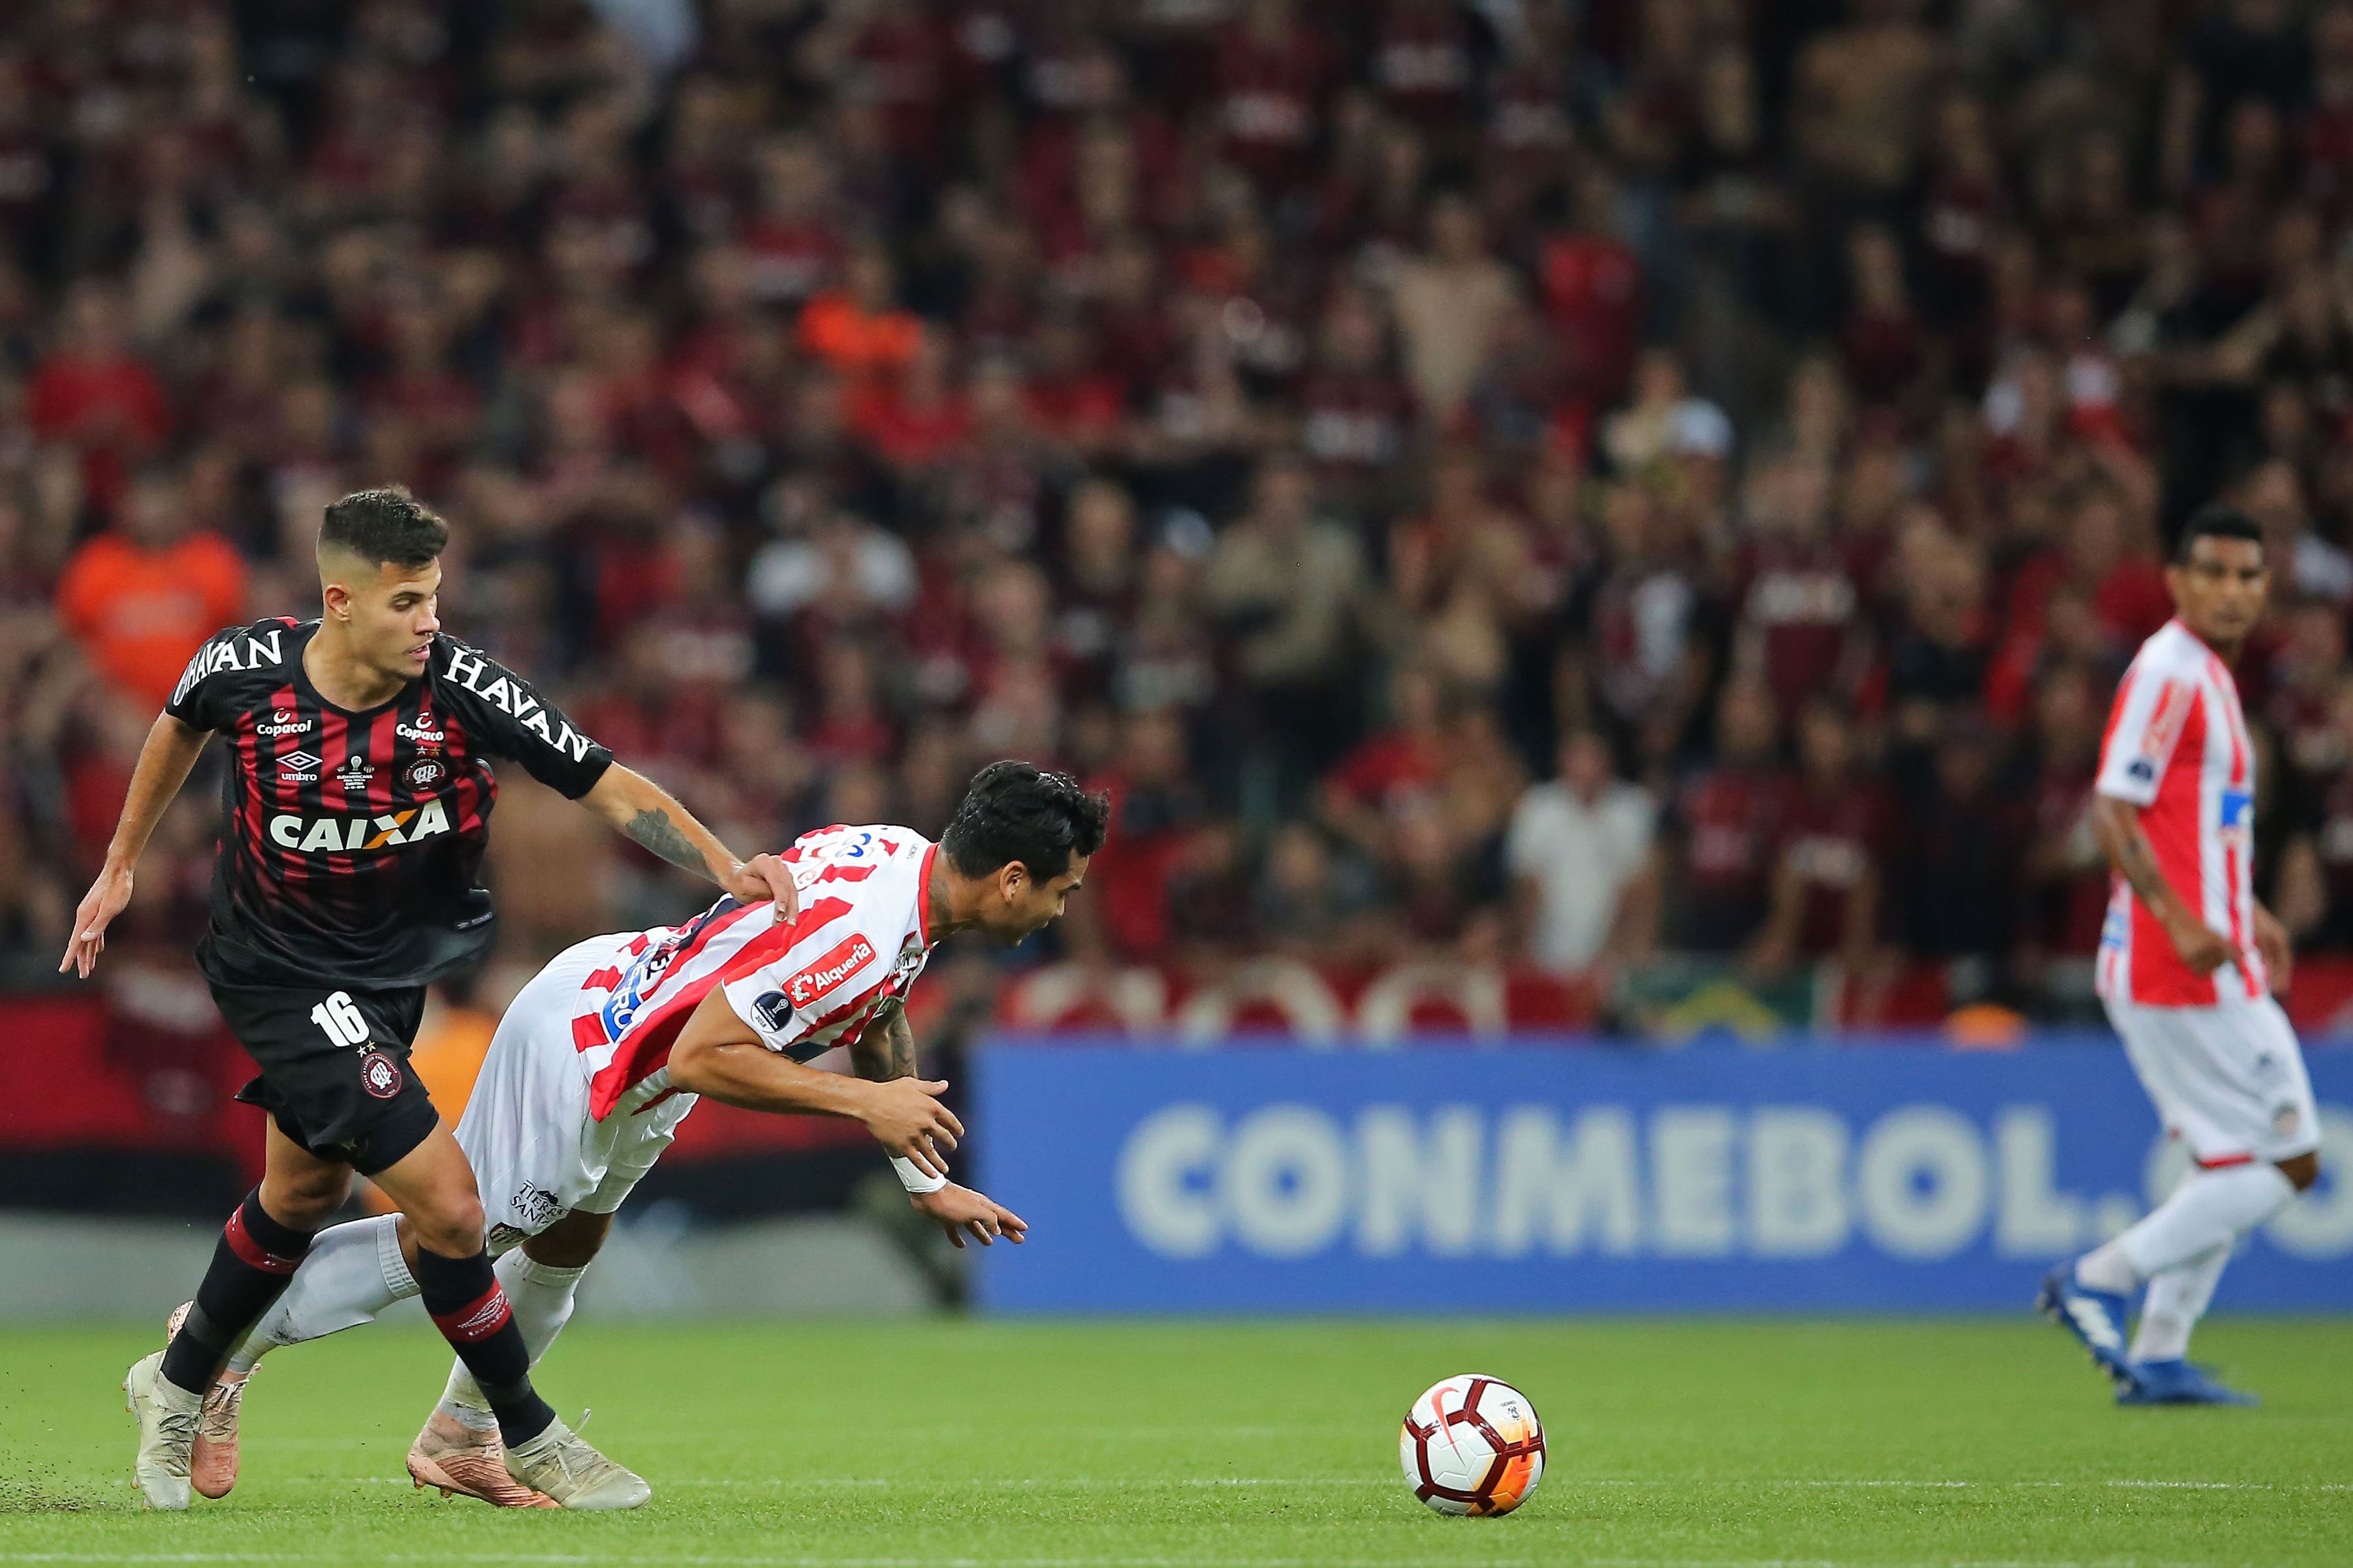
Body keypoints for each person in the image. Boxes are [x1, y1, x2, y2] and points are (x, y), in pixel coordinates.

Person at [65, 488, 800, 1510]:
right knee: (454, 1211)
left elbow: (610, 783)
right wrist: (120, 863)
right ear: (341, 601)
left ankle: (178, 1381)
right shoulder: (244, 670)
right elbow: (175, 727)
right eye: (409, 600)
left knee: (300, 1196)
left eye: (436, 597)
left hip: (389, 974)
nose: (431, 621)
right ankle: (525, 1435)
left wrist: (725, 863)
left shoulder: (462, 687)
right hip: (278, 968)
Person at [168, 762, 1104, 1508]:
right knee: (453, 1238)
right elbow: (708, 1055)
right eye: (1060, 890)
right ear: (1012, 877)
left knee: (570, 1240)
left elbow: (880, 1007)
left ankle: (462, 1438)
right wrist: (868, 1106)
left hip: (634, 1014)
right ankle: (217, 1352)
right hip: (602, 1045)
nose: (1060, 911)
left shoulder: (903, 861)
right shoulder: (861, 932)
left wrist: (918, 1175)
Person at [2038, 503, 2324, 1406]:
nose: (2233, 591)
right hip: (2184, 965)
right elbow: (2113, 810)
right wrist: (2181, 918)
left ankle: (2159, 1350)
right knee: (2289, 1161)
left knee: (2226, 1162)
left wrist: (2252, 907)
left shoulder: (2208, 675)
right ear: (2177, 580)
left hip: (2209, 947)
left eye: (2250, 576)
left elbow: (2198, 826)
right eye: (2214, 572)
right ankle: (2099, 1278)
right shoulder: (2168, 672)